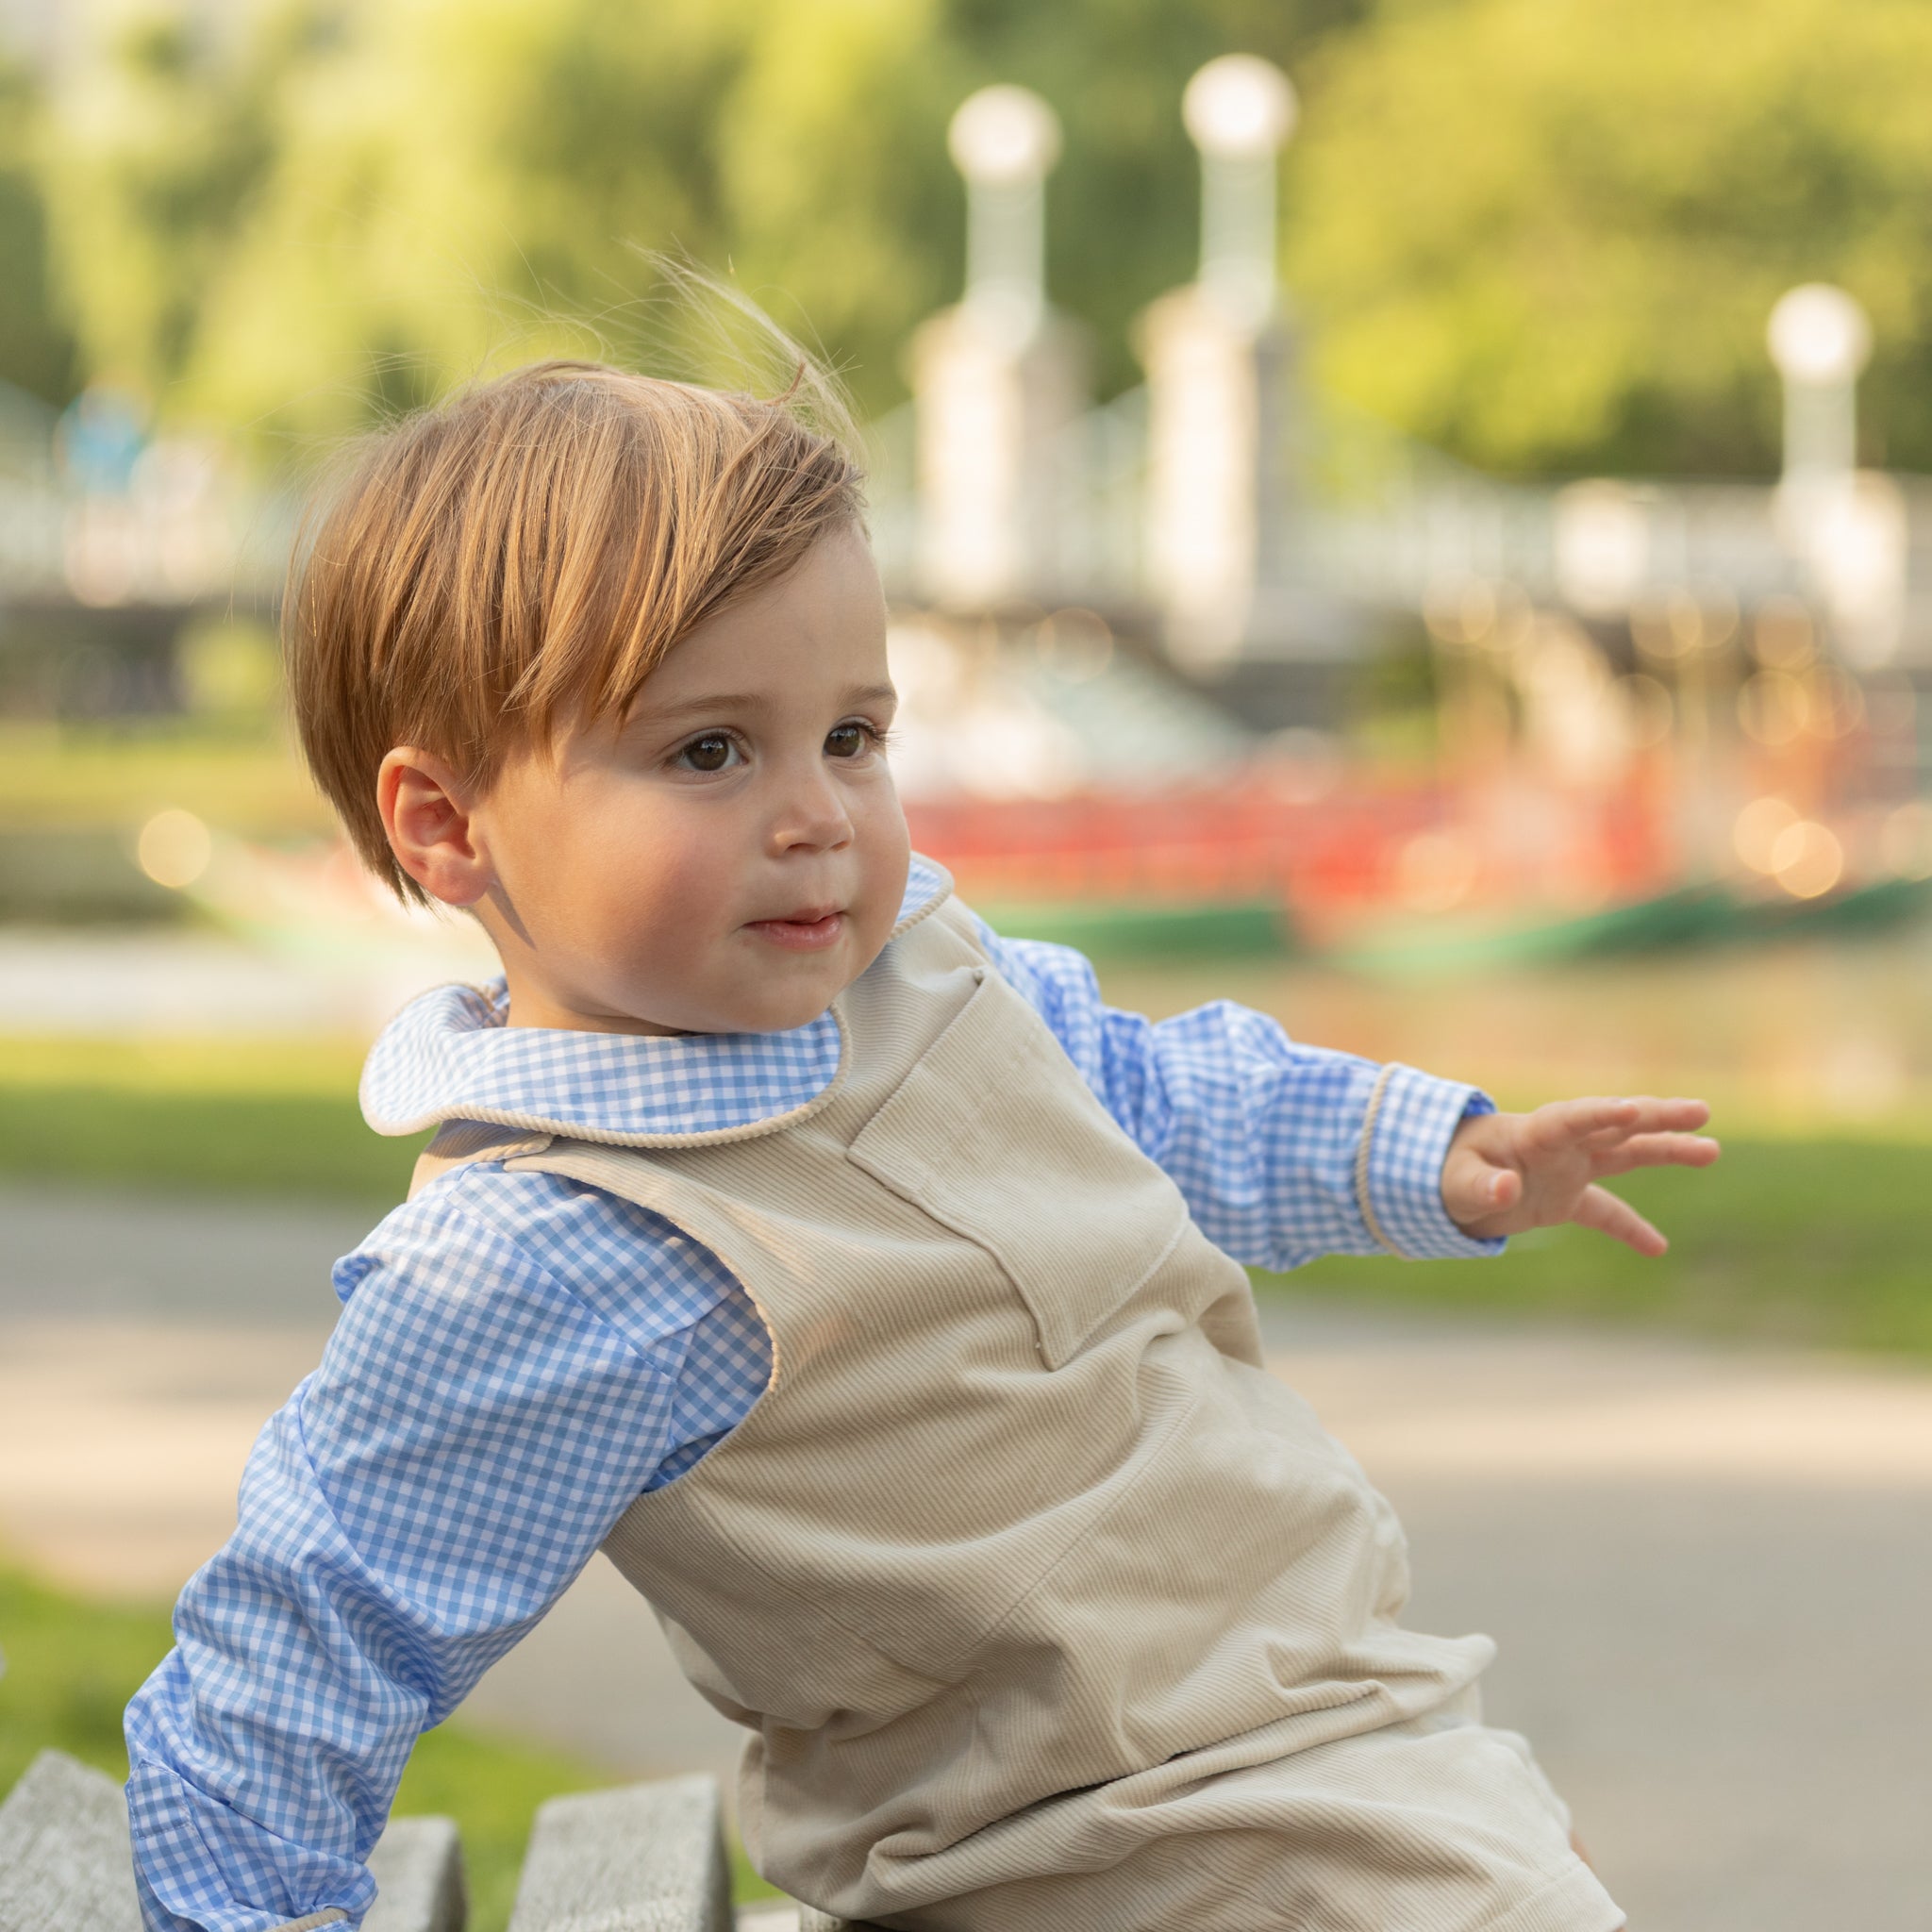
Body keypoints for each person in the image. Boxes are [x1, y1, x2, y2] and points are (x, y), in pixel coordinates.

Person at [124, 352, 1717, 1932]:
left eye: (855, 735)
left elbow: (1148, 1096)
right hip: (1109, 1851)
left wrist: (1432, 1153)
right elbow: (310, 1649)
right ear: (448, 825)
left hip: (1333, 1727)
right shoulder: (557, 1253)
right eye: (708, 751)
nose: (819, 812)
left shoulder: (923, 969)